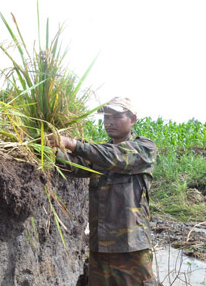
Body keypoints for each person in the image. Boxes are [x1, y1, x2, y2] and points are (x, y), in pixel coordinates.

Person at [48, 97, 157, 286]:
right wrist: (44, 150)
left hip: (131, 249)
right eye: (106, 117)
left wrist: (72, 144)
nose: (109, 122)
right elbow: (73, 164)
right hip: (100, 248)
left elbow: (114, 157)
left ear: (132, 119)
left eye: (116, 116)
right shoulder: (98, 154)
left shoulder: (144, 149)